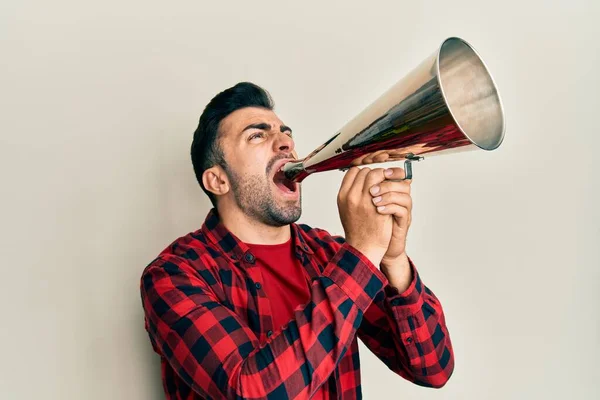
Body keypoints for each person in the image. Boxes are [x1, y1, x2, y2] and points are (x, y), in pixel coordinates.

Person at [139, 82, 454, 399]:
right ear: (218, 180)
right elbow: (253, 392)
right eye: (258, 135)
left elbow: (432, 368)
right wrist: (362, 252)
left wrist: (393, 260)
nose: (285, 143)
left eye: (285, 133)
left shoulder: (329, 255)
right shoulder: (174, 275)